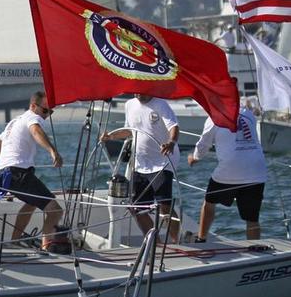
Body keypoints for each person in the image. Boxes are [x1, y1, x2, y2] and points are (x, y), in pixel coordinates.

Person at [188, 84, 267, 241]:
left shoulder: (214, 118)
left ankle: (201, 238)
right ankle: (255, 247)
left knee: (209, 202)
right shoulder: (248, 114)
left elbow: (204, 144)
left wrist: (195, 157)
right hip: (257, 171)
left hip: (229, 171)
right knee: (252, 218)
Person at [101, 93, 180, 240]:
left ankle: (177, 241)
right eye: (135, 90)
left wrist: (171, 143)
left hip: (163, 161)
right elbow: (129, 130)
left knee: (164, 205)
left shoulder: (160, 104)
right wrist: (111, 137)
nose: (138, 93)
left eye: (141, 90)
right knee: (136, 207)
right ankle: (155, 243)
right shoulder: (129, 104)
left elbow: (174, 127)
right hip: (141, 163)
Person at [0, 92, 64, 250]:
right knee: (55, 211)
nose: (46, 115)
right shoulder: (32, 117)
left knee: (31, 203)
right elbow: (36, 131)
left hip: (3, 174)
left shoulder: (15, 121)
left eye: (50, 112)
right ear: (33, 106)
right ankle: (47, 247)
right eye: (45, 111)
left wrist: (8, 160)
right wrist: (53, 151)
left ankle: (14, 242)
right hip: (18, 172)